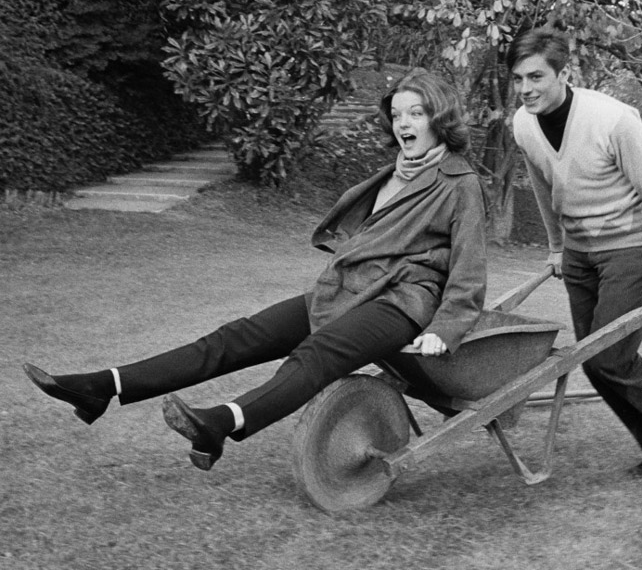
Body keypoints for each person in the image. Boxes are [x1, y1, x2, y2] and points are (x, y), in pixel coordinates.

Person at [23, 69, 487, 472]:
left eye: (417, 113)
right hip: (348, 289)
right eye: (399, 113)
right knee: (233, 338)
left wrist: (445, 328)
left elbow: (468, 272)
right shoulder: (393, 173)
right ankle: (102, 387)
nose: (404, 122)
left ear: (439, 118)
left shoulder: (458, 183)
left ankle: (220, 423)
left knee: (317, 353)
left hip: (402, 301)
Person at [506, 27, 642, 478]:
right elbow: (543, 186)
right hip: (579, 253)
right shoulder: (523, 124)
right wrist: (557, 246)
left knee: (610, 357)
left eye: (536, 77)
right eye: (518, 79)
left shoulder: (614, 120)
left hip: (628, 249)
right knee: (592, 359)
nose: (526, 89)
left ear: (564, 72)